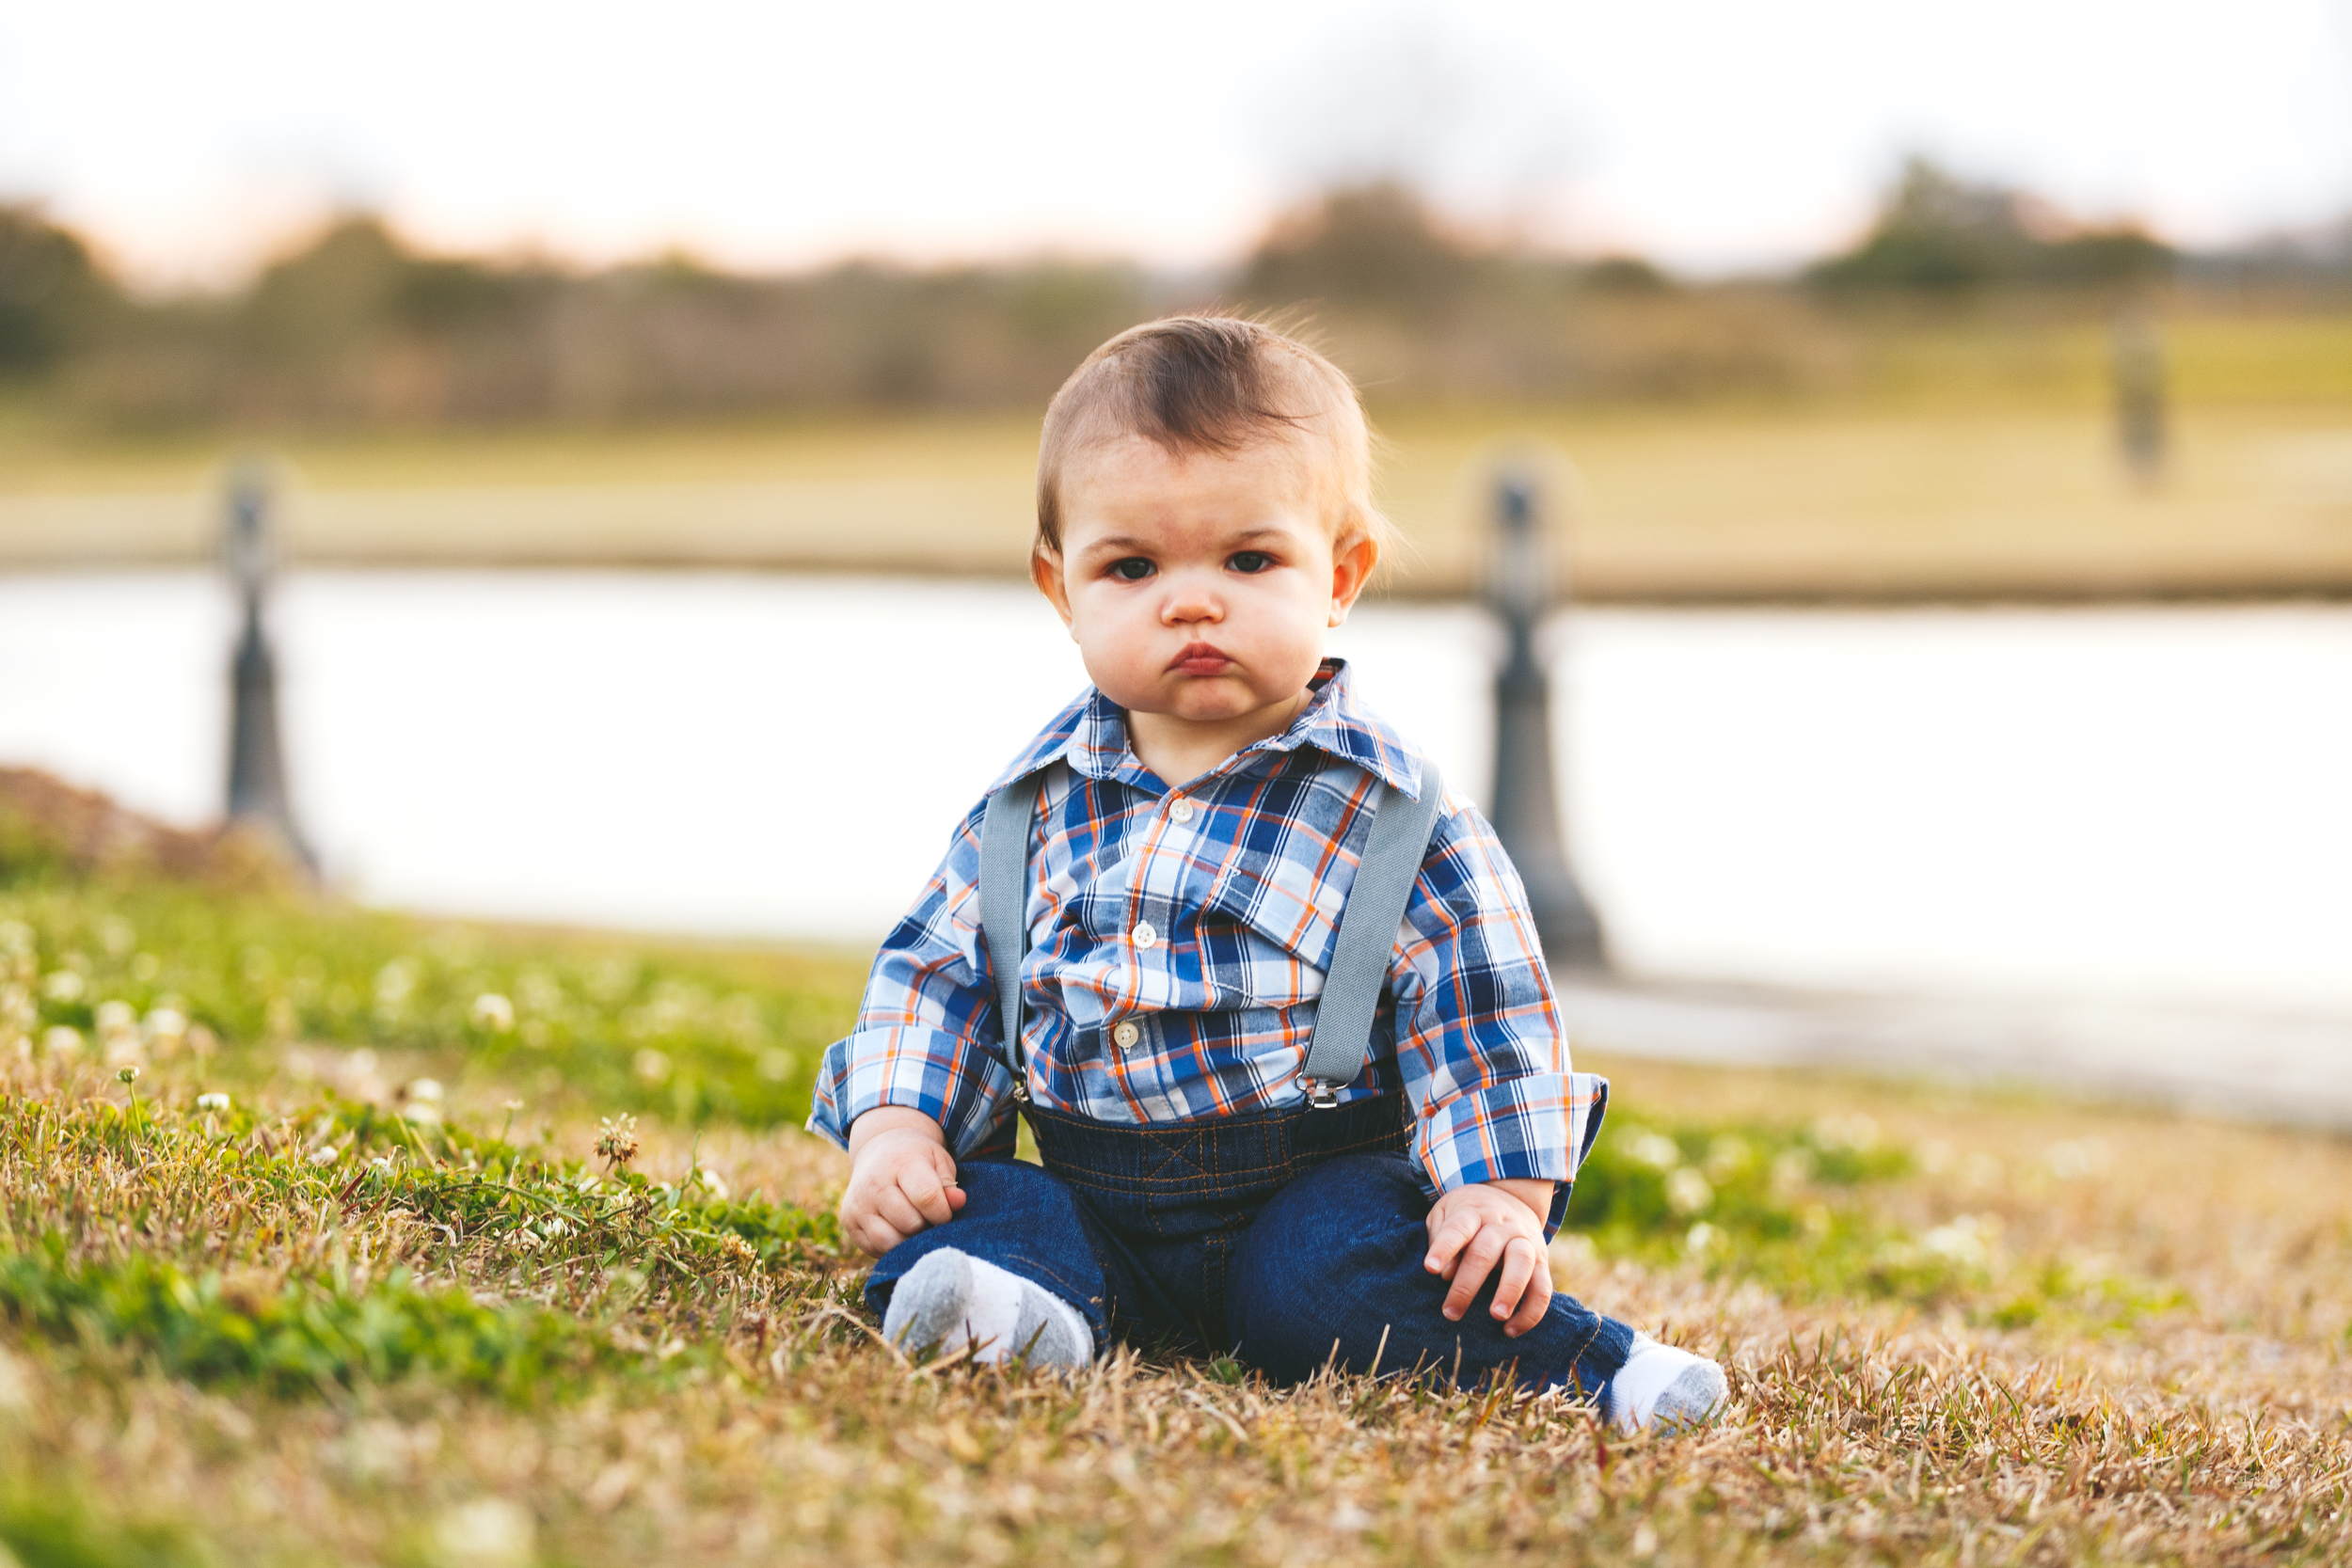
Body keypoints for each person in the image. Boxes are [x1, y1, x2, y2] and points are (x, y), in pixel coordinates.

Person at [806, 315, 1726, 1433]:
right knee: (991, 1203)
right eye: (1131, 566)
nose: (1191, 600)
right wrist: (898, 1127)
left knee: (1333, 1280)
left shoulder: (1391, 814)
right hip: (1094, 1196)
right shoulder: (1026, 806)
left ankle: (1600, 1371)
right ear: (1062, 590)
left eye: (1249, 560)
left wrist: (1496, 1191)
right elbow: (937, 974)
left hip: (1308, 1199)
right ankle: (1015, 1306)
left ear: (1337, 576)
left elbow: (1482, 1008)